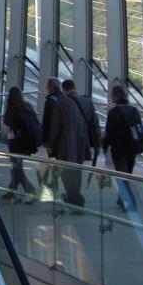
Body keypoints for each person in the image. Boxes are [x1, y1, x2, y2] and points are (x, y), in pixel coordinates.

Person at [47, 79, 99, 208]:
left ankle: (75, 198)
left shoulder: (61, 103)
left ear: (64, 89)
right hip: (82, 143)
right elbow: (94, 124)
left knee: (66, 172)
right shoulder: (87, 101)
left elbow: (55, 127)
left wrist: (51, 145)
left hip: (65, 145)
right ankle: (73, 196)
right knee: (77, 170)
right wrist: (97, 143)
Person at [102, 83, 142, 211]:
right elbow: (139, 128)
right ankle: (121, 198)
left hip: (118, 148)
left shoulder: (113, 112)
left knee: (122, 175)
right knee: (127, 174)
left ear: (115, 96)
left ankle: (131, 202)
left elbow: (109, 131)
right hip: (132, 147)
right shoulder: (134, 110)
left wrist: (104, 145)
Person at [0, 86, 40, 202]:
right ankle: (13, 189)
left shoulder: (12, 109)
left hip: (15, 142)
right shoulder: (27, 106)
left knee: (16, 166)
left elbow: (7, 123)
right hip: (27, 141)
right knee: (16, 166)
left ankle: (29, 190)